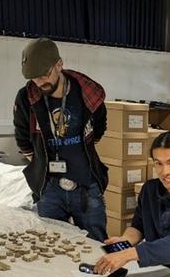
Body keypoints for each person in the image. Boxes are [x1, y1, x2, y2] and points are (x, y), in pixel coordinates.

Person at [13, 37, 109, 240]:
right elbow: (22, 138)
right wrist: (40, 164)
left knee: (96, 245)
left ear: (59, 64)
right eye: (34, 78)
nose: (40, 83)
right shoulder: (26, 98)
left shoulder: (87, 93)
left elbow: (99, 128)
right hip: (49, 190)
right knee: (52, 247)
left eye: (44, 75)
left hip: (86, 187)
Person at [93, 131, 170, 277]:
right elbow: (139, 227)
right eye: (158, 163)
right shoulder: (149, 190)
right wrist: (124, 241)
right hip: (156, 272)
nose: (165, 172)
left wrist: (129, 254)